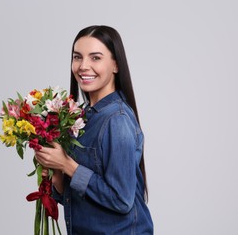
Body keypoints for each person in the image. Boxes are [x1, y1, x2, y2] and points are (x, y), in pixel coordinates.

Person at [34, 25, 153, 234]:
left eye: (95, 58)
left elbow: (121, 200)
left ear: (115, 64)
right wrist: (56, 173)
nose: (83, 66)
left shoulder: (116, 119)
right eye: (77, 57)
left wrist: (67, 165)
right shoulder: (83, 117)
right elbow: (78, 201)